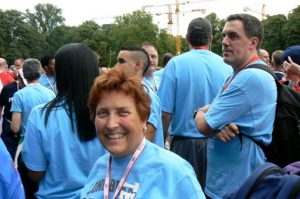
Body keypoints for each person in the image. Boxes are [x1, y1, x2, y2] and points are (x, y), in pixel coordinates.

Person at [81, 68, 205, 198]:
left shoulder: (175, 172)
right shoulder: (99, 166)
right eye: (103, 113)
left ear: (143, 119)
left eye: (123, 112)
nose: (111, 124)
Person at [194, 14, 277, 198]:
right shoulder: (237, 74)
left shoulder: (250, 78)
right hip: (229, 184)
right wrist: (214, 126)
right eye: (224, 35)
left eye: (233, 36)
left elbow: (204, 124)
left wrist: (199, 113)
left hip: (238, 187)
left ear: (253, 43)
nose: (224, 41)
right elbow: (211, 118)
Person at [21, 43, 107, 198]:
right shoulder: (109, 114)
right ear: (94, 71)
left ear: (59, 73)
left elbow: (35, 173)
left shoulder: (40, 115)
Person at [157, 17, 232, 189]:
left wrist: (160, 144)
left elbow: (164, 112)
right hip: (220, 142)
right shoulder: (226, 66)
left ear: (187, 38)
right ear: (211, 39)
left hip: (184, 145)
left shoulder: (175, 64)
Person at [115, 46, 164, 147]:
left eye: (121, 61)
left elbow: (147, 137)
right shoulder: (133, 92)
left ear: (137, 65)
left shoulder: (146, 96)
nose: (116, 66)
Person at [10, 58, 55, 137]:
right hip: (47, 138)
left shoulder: (19, 95)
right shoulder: (51, 93)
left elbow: (15, 128)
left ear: (24, 74)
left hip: (27, 139)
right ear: (40, 72)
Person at [0, 69, 27, 159]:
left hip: (26, 129)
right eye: (23, 81)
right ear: (18, 77)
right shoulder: (8, 88)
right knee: (7, 157)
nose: (25, 84)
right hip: (9, 130)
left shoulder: (31, 90)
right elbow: (0, 107)